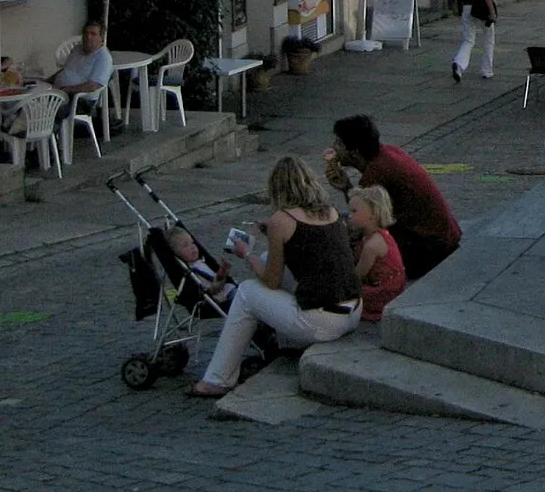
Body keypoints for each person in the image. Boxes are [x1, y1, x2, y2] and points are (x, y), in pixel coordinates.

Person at [187, 156, 361, 398]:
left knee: (247, 292)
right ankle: (286, 344)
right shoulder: (330, 211)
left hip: (323, 322)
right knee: (270, 255)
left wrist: (246, 254)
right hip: (352, 311)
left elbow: (271, 281)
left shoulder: (282, 219)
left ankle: (218, 379)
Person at [325, 114, 462, 278]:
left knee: (341, 236)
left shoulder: (377, 173)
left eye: (339, 143)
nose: (334, 148)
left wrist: (346, 188)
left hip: (429, 248)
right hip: (444, 236)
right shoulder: (387, 151)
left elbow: (364, 220)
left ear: (354, 152)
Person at [345, 185, 409, 323]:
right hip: (391, 286)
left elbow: (356, 276)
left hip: (383, 292)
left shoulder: (372, 245)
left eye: (354, 211)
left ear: (374, 213)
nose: (349, 216)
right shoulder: (378, 235)